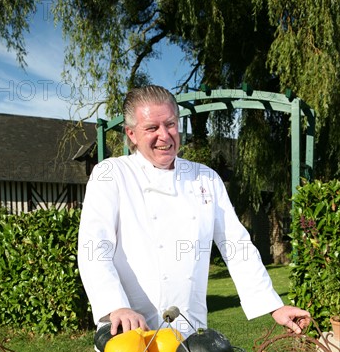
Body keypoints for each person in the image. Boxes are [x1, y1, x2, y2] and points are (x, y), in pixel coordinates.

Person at [78, 85, 310, 338]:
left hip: (189, 331)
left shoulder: (206, 178)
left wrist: (273, 305)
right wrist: (115, 306)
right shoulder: (111, 174)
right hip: (128, 330)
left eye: (170, 124)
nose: (165, 136)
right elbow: (94, 246)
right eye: (152, 128)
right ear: (132, 134)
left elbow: (236, 244)